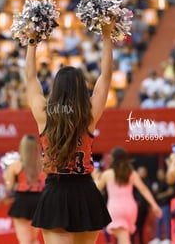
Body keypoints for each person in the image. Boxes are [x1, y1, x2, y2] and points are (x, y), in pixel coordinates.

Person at [26, 21, 115, 243]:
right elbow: (105, 77)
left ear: (56, 89)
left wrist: (32, 42)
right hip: (85, 192)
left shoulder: (44, 114)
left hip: (56, 192)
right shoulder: (88, 115)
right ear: (80, 88)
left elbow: (30, 80)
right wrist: (106, 35)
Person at [95, 147, 162, 244]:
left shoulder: (108, 174)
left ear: (113, 159)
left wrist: (96, 179)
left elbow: (96, 189)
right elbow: (143, 189)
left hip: (115, 209)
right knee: (123, 237)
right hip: (130, 209)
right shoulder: (132, 173)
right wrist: (154, 205)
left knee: (123, 239)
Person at [3, 135, 46, 244]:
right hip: (39, 201)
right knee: (33, 239)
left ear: (22, 147)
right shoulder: (43, 164)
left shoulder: (15, 166)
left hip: (22, 201)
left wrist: (6, 177)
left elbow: (10, 187)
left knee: (24, 241)